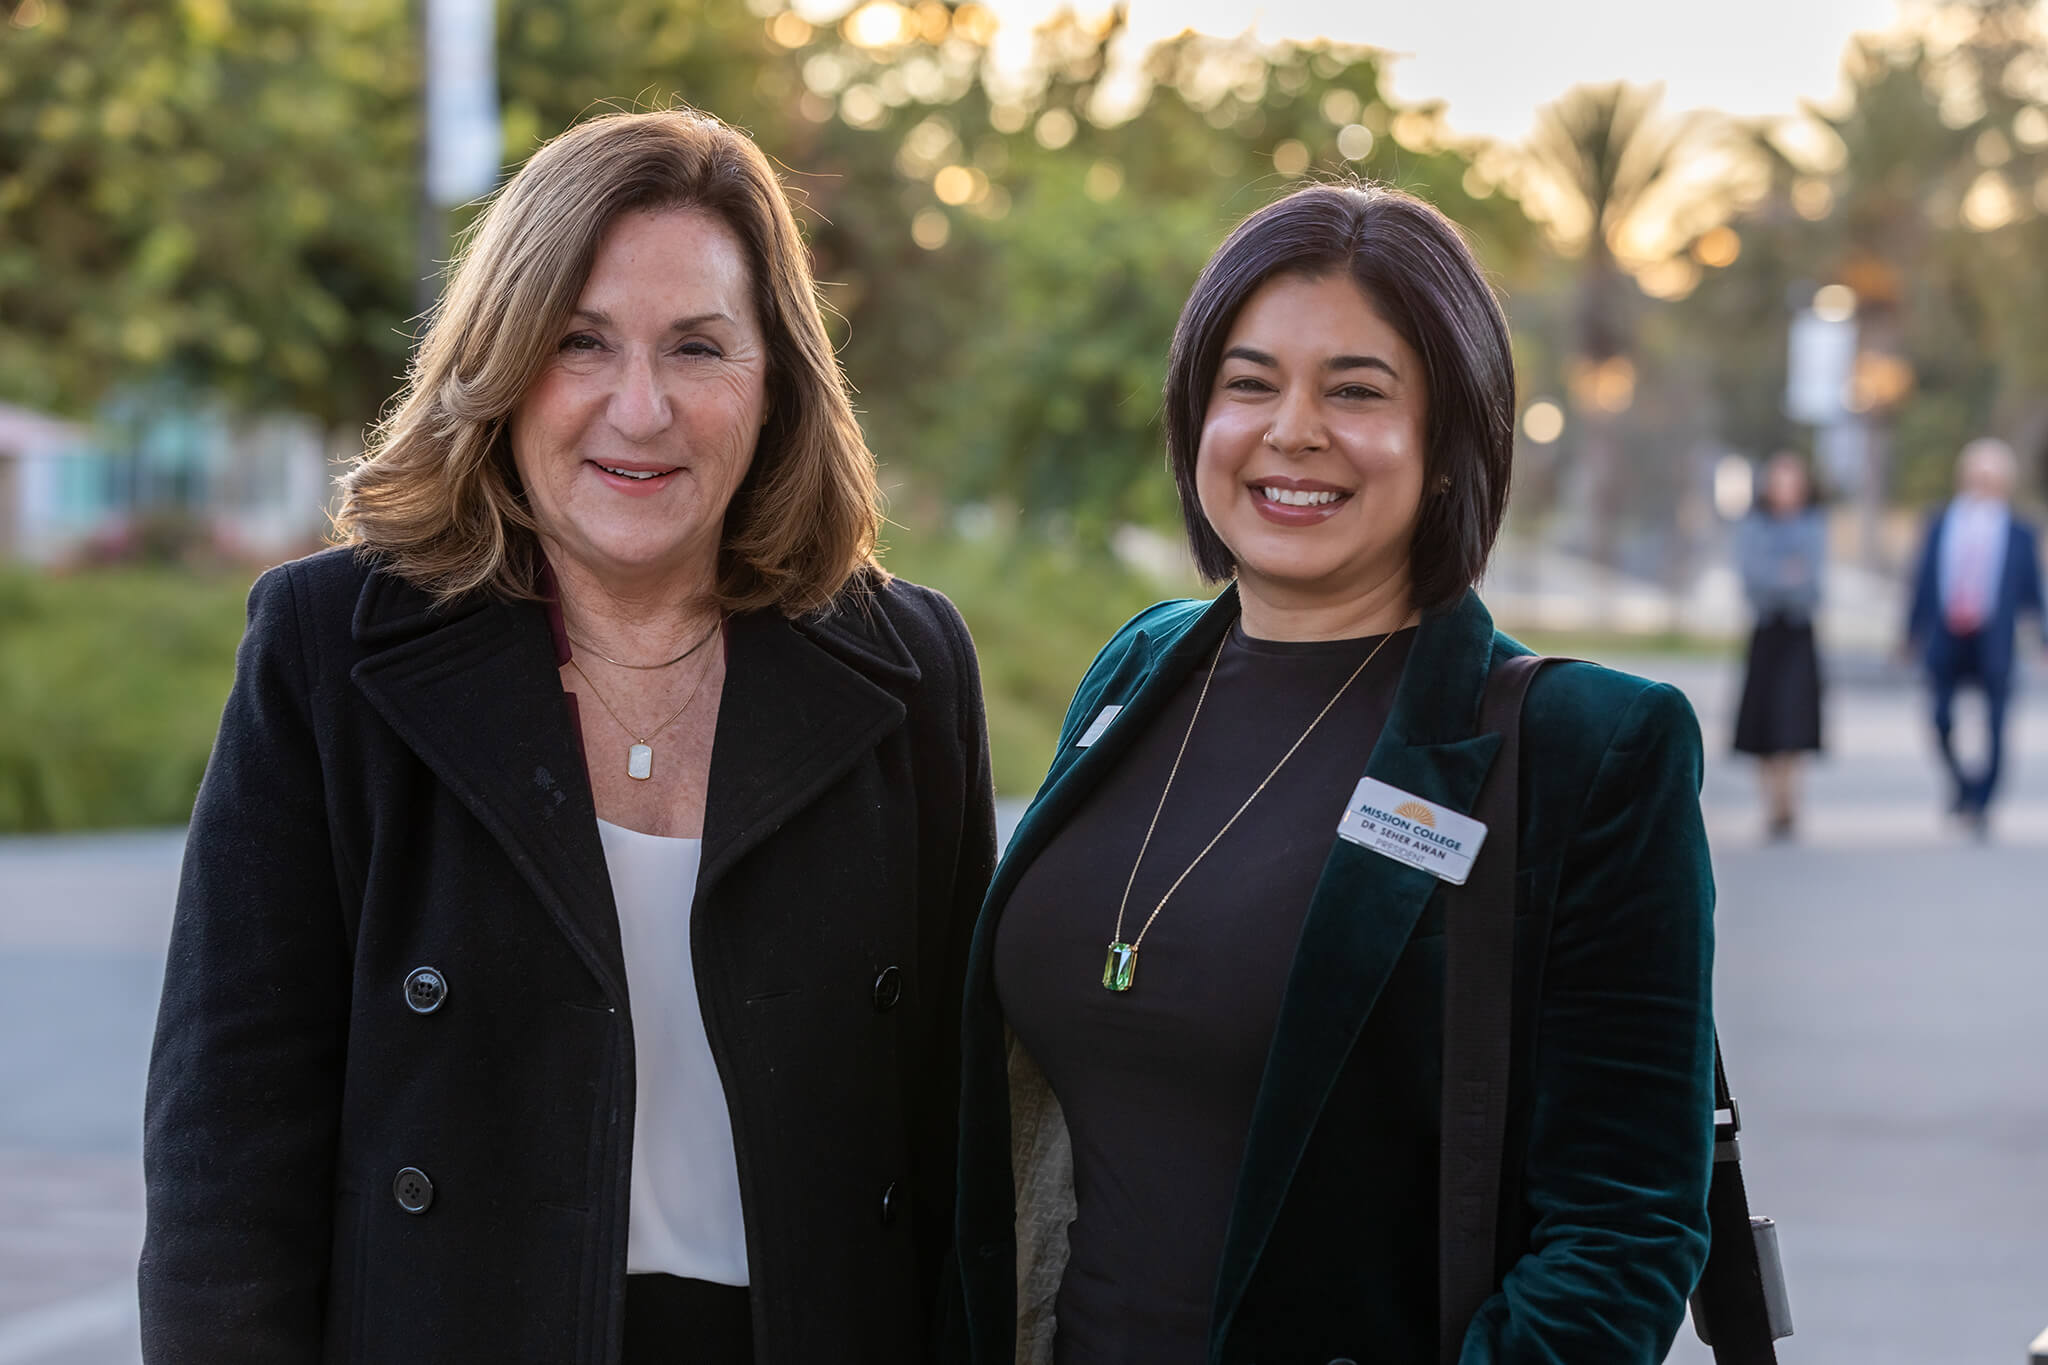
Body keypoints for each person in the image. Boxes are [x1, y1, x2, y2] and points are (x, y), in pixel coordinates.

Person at [140, 109, 996, 1364]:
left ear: (775, 385)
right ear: (501, 361)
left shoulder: (908, 669)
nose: (636, 410)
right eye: (579, 342)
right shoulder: (329, 651)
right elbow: (229, 1152)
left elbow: (957, 1149)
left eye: (697, 347)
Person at [947, 183, 1715, 1365]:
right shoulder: (1132, 672)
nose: (1290, 430)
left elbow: (1624, 1230)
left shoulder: (1585, 748)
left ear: (1452, 440)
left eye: (1354, 391)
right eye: (1248, 384)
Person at [1903, 437, 2046, 835]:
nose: (1983, 482)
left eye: (1992, 475)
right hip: (1948, 633)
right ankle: (1961, 785)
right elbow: (1922, 580)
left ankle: (1982, 800)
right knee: (1940, 717)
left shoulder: (2020, 530)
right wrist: (1910, 632)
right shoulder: (1940, 521)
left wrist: (2043, 638)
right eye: (1977, 473)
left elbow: (2034, 589)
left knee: (1997, 723)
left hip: (1994, 637)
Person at [1731, 452, 1827, 840]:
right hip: (1767, 632)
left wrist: (1781, 580)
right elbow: (1753, 579)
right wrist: (1786, 576)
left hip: (1799, 632)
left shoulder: (1814, 525)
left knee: (1795, 718)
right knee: (1764, 718)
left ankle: (1791, 800)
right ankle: (1771, 801)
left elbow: (1813, 583)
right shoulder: (1754, 526)